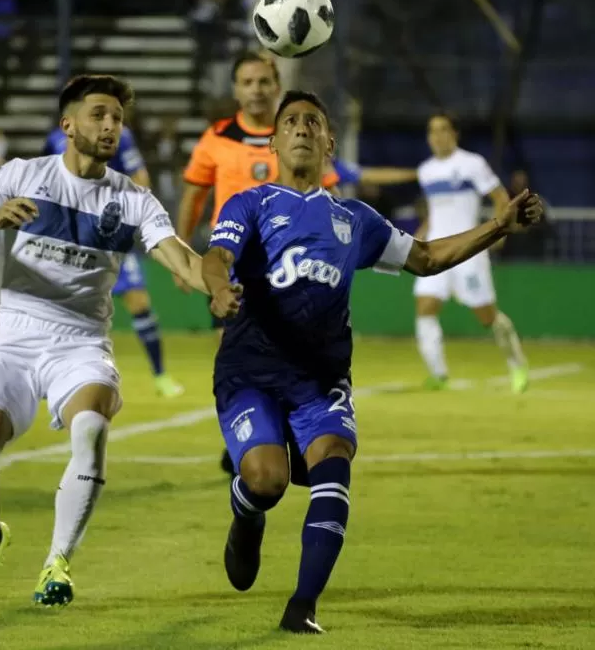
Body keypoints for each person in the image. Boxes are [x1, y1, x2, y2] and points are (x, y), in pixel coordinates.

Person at [201, 90, 543, 634]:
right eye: (290, 121)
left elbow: (427, 259)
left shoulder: (355, 219)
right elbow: (217, 257)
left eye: (313, 121)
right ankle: (246, 513)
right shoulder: (250, 203)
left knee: (333, 459)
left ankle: (302, 607)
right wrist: (218, 291)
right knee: (267, 480)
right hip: (252, 370)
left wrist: (498, 226)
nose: (302, 128)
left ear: (329, 141)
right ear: (274, 140)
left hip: (321, 378)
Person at [0, 75, 207, 607]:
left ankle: (57, 564)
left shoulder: (133, 200)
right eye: (99, 115)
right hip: (14, 336)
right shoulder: (24, 175)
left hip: (81, 343)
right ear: (68, 125)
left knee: (92, 428)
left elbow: (182, 260)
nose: (110, 126)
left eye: (117, 119)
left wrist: (217, 285)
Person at [177, 51, 417, 476]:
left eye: (263, 82)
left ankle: (290, 428)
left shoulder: (299, 136)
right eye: (247, 82)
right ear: (235, 89)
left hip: (295, 266)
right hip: (231, 266)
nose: (255, 90)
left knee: (298, 349)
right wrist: (187, 259)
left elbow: (328, 193)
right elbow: (195, 195)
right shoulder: (215, 138)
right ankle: (246, 434)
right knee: (237, 349)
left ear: (276, 85)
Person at [42, 121, 185, 397]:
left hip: (112, 236)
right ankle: (56, 376)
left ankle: (160, 375)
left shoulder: (119, 134)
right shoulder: (55, 140)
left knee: (139, 301)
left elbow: (140, 177)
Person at [413, 114, 530, 393]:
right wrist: (419, 235)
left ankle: (518, 364)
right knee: (425, 307)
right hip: (435, 251)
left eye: (443, 130)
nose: (437, 136)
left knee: (486, 317)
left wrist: (499, 231)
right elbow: (436, 212)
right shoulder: (425, 170)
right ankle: (439, 374)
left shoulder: (472, 164)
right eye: (432, 131)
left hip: (468, 250)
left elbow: (501, 198)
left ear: (455, 133)